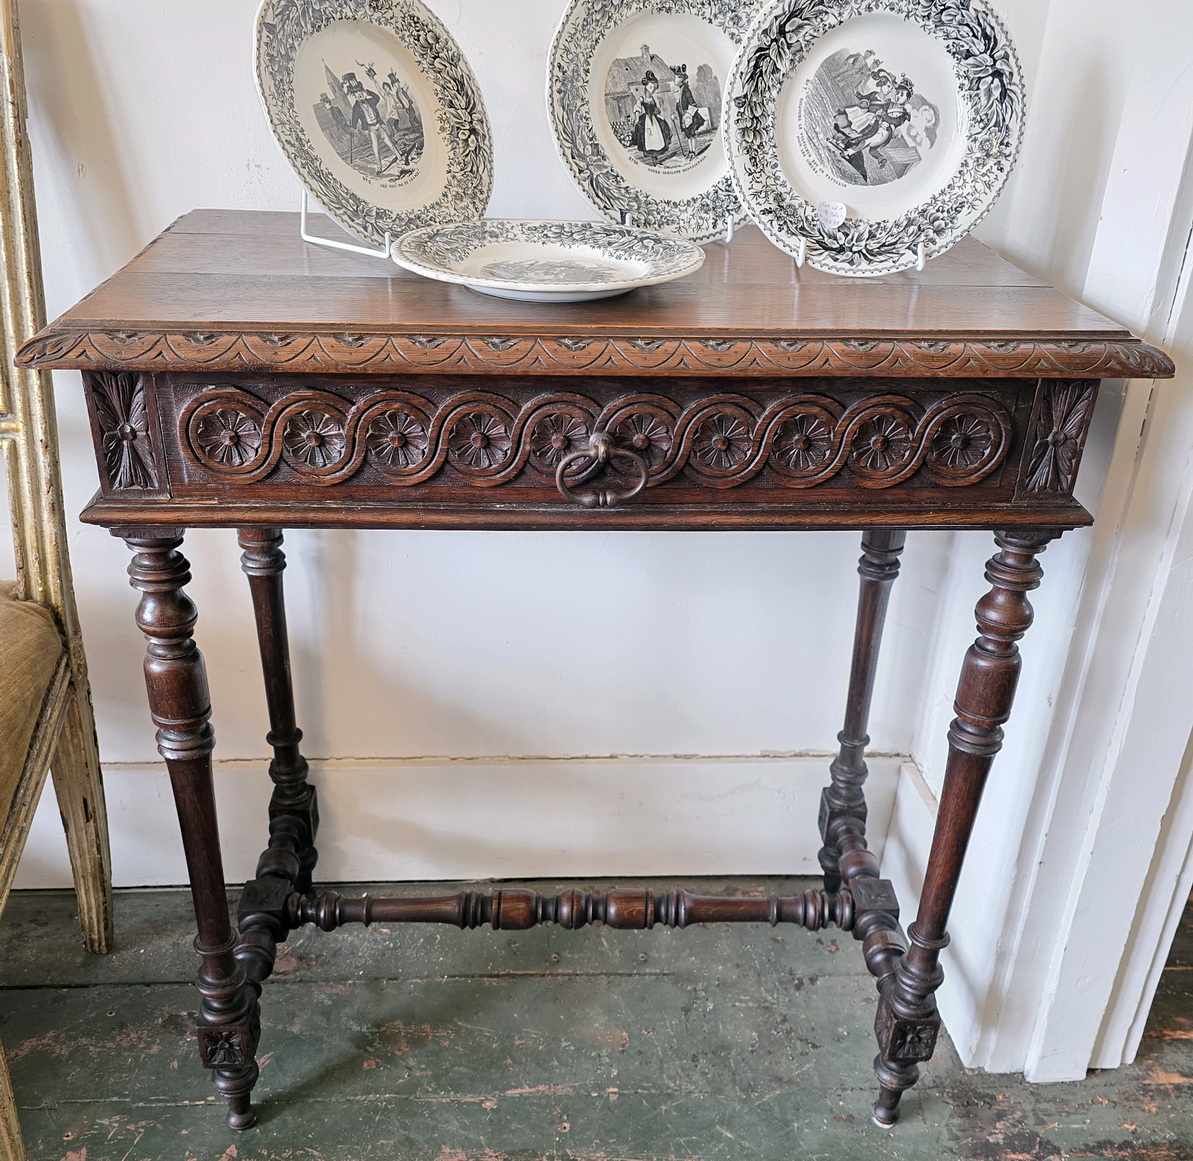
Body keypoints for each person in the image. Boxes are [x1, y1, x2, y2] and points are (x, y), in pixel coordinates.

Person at [342, 71, 401, 174]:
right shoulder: (356, 107)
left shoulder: (370, 100)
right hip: (371, 129)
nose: (359, 94)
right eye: (356, 93)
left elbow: (377, 97)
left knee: (388, 141)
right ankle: (379, 167)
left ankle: (399, 156)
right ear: (354, 95)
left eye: (360, 92)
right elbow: (355, 119)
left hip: (378, 125)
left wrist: (367, 92)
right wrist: (352, 128)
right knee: (375, 147)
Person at [629, 71, 671, 160]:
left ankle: (656, 159)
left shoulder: (652, 98)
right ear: (646, 87)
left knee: (657, 136)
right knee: (649, 139)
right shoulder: (642, 98)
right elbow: (637, 107)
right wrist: (637, 118)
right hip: (647, 121)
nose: (652, 90)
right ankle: (653, 159)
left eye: (654, 88)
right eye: (651, 87)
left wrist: (659, 114)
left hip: (654, 119)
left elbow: (655, 109)